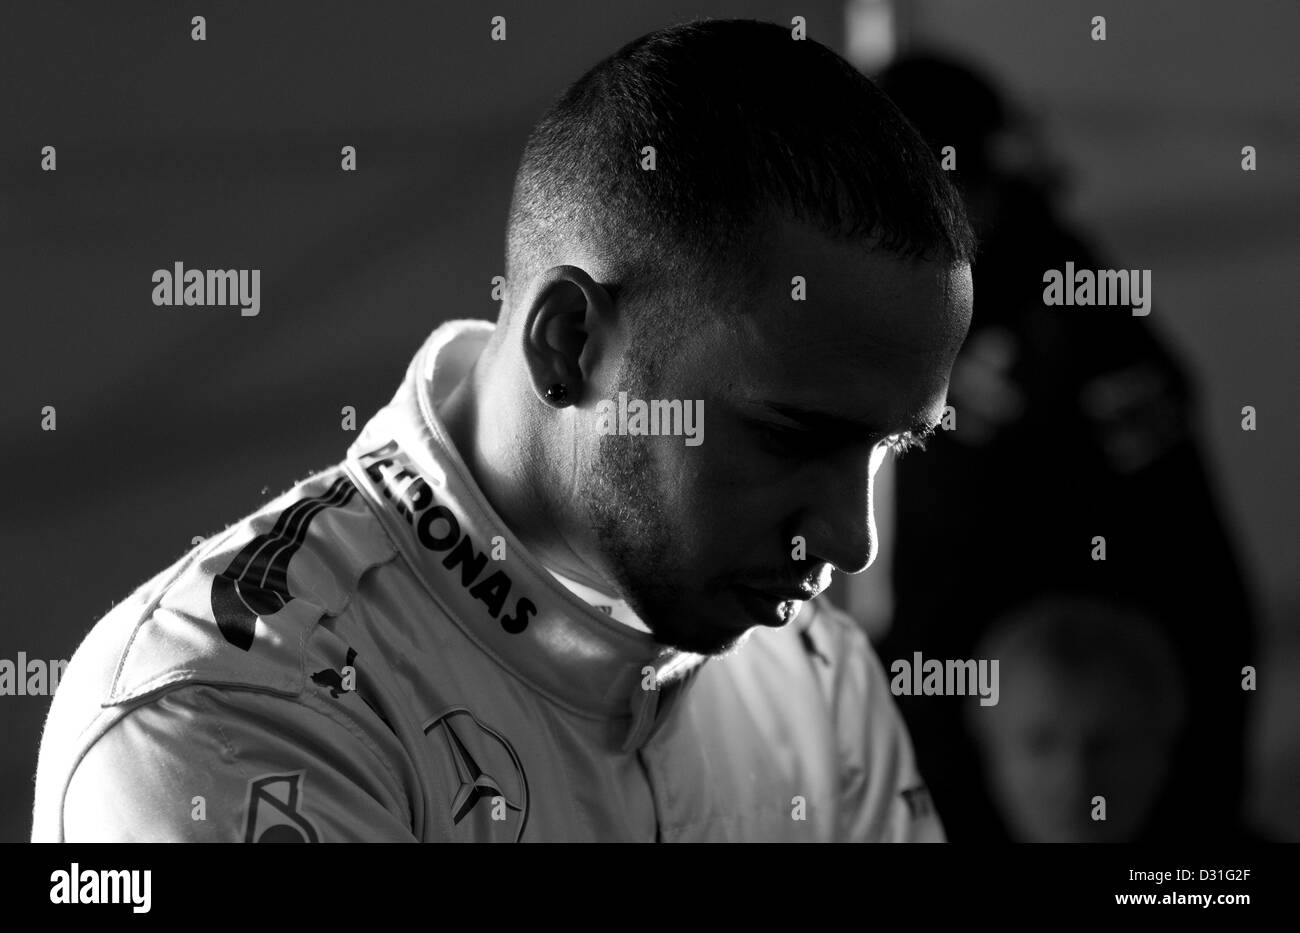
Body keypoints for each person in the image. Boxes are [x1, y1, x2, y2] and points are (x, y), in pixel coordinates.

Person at [32, 19, 974, 842]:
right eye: (793, 436)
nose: (853, 540)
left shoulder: (814, 671)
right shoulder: (227, 708)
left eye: (890, 447)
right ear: (568, 345)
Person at [874, 52, 1257, 843]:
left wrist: (1191, 846)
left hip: (1070, 778)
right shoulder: (909, 310)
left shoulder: (1075, 322)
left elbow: (1205, 600)